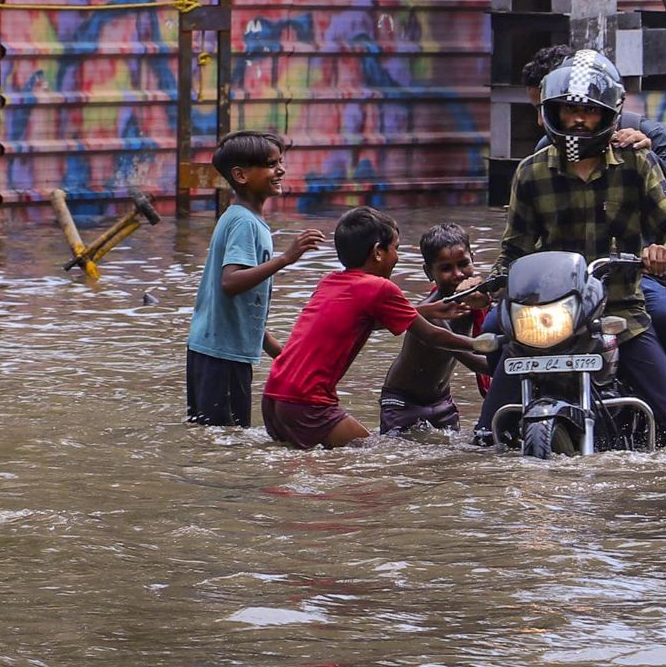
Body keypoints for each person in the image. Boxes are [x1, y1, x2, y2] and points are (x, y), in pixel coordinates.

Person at [476, 49, 666, 447]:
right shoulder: (529, 172)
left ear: (608, 114)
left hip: (620, 309)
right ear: (552, 112)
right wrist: (493, 280)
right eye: (567, 111)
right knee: (485, 435)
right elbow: (514, 249)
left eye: (590, 112)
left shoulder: (638, 162)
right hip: (548, 313)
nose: (578, 120)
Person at [521, 44, 666, 394]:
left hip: (627, 274)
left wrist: (647, 152)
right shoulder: (538, 160)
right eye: (556, 109)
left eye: (585, 109)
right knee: (502, 327)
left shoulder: (642, 146)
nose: (573, 120)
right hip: (561, 285)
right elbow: (520, 241)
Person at [262, 207, 478, 450]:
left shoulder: (330, 281)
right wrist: (483, 344)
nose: (397, 257)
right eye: (395, 248)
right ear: (378, 252)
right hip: (307, 401)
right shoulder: (379, 288)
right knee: (377, 458)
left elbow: (364, 322)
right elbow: (431, 334)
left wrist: (426, 310)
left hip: (273, 395)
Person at [186, 131, 325, 427]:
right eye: (270, 164)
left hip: (213, 350)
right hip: (222, 356)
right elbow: (231, 282)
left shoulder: (241, 218)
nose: (281, 170)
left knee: (213, 436)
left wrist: (277, 351)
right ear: (241, 175)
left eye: (280, 162)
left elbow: (240, 306)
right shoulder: (244, 223)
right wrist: (285, 259)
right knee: (227, 441)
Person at [379, 223, 492, 437]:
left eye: (463, 264)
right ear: (429, 272)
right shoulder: (432, 312)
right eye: (446, 268)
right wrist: (517, 367)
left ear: (473, 259)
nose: (458, 274)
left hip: (441, 402)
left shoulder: (476, 301)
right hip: (403, 404)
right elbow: (473, 361)